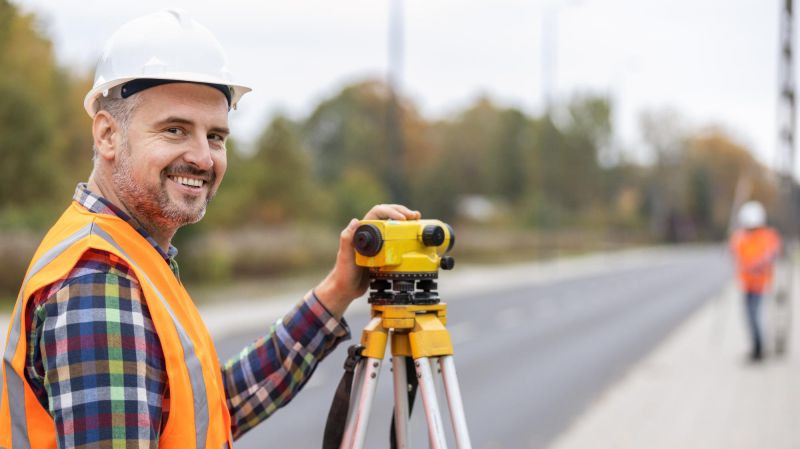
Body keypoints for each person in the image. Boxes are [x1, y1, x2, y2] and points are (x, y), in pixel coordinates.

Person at [0, 10, 421, 448]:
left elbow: (210, 411)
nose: (203, 158)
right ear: (108, 135)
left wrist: (337, 290)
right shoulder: (100, 280)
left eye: (216, 137)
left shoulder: (135, 258)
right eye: (175, 129)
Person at [729, 200, 782, 362]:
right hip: (746, 283)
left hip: (761, 284)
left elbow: (772, 254)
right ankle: (756, 348)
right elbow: (734, 253)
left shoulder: (768, 236)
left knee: (754, 316)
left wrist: (757, 264)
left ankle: (759, 349)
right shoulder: (740, 237)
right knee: (749, 317)